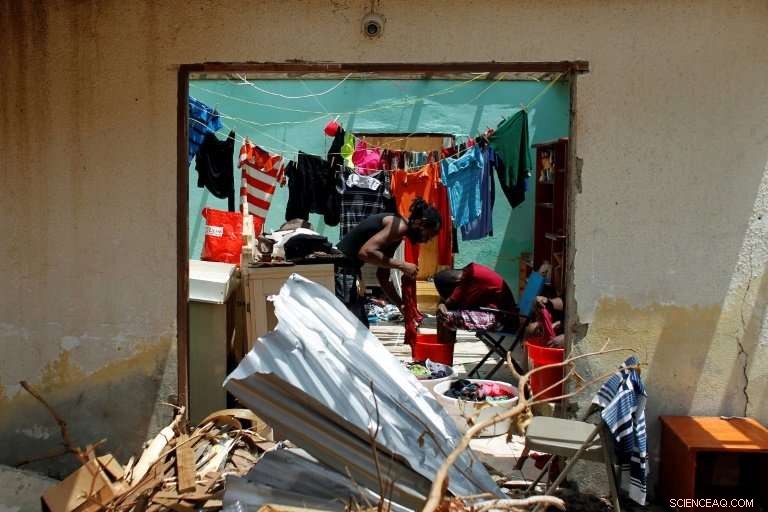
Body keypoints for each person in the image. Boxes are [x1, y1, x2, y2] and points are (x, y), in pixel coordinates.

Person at [335, 197, 442, 326]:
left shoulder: (398, 235)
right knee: (351, 325)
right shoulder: (398, 226)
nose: (426, 240)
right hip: (342, 269)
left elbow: (383, 276)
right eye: (428, 235)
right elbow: (365, 252)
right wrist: (402, 265)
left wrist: (401, 304)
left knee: (358, 325)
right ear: (420, 223)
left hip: (349, 270)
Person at [434, 263, 518, 332]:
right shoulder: (470, 270)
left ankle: (445, 348)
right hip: (503, 313)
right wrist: (442, 304)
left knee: (448, 316)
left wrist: (442, 305)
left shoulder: (467, 282)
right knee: (447, 312)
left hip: (504, 320)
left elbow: (452, 303)